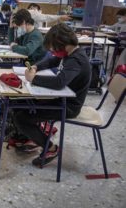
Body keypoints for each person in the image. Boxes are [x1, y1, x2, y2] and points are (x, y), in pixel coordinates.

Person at [13, 23, 91, 167]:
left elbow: (59, 82)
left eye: (54, 49)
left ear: (63, 44)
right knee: (18, 103)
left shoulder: (76, 60)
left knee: (22, 118)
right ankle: (35, 138)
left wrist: (33, 79)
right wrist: (36, 66)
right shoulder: (70, 53)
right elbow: (52, 60)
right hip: (61, 99)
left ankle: (51, 148)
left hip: (69, 107)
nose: (53, 52)